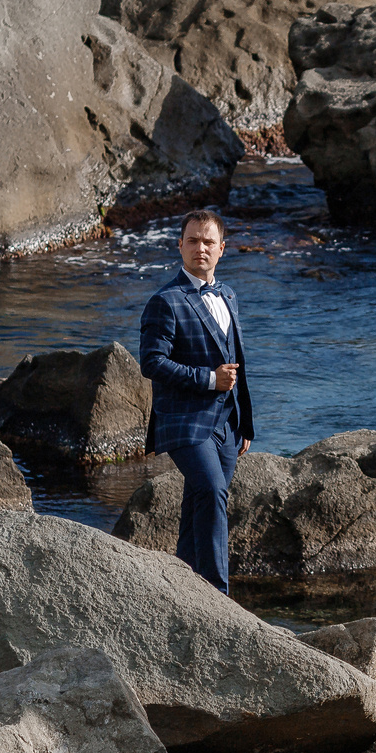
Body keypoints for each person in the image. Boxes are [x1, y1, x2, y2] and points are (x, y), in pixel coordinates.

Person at [137, 208, 253, 592]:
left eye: (208, 242)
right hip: (185, 420)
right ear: (179, 246)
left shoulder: (229, 295)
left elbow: (238, 362)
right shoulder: (165, 301)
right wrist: (208, 379)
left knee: (198, 502)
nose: (199, 248)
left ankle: (184, 587)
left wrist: (245, 422)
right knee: (211, 490)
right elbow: (152, 363)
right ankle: (219, 595)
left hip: (226, 424)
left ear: (222, 249)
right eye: (192, 241)